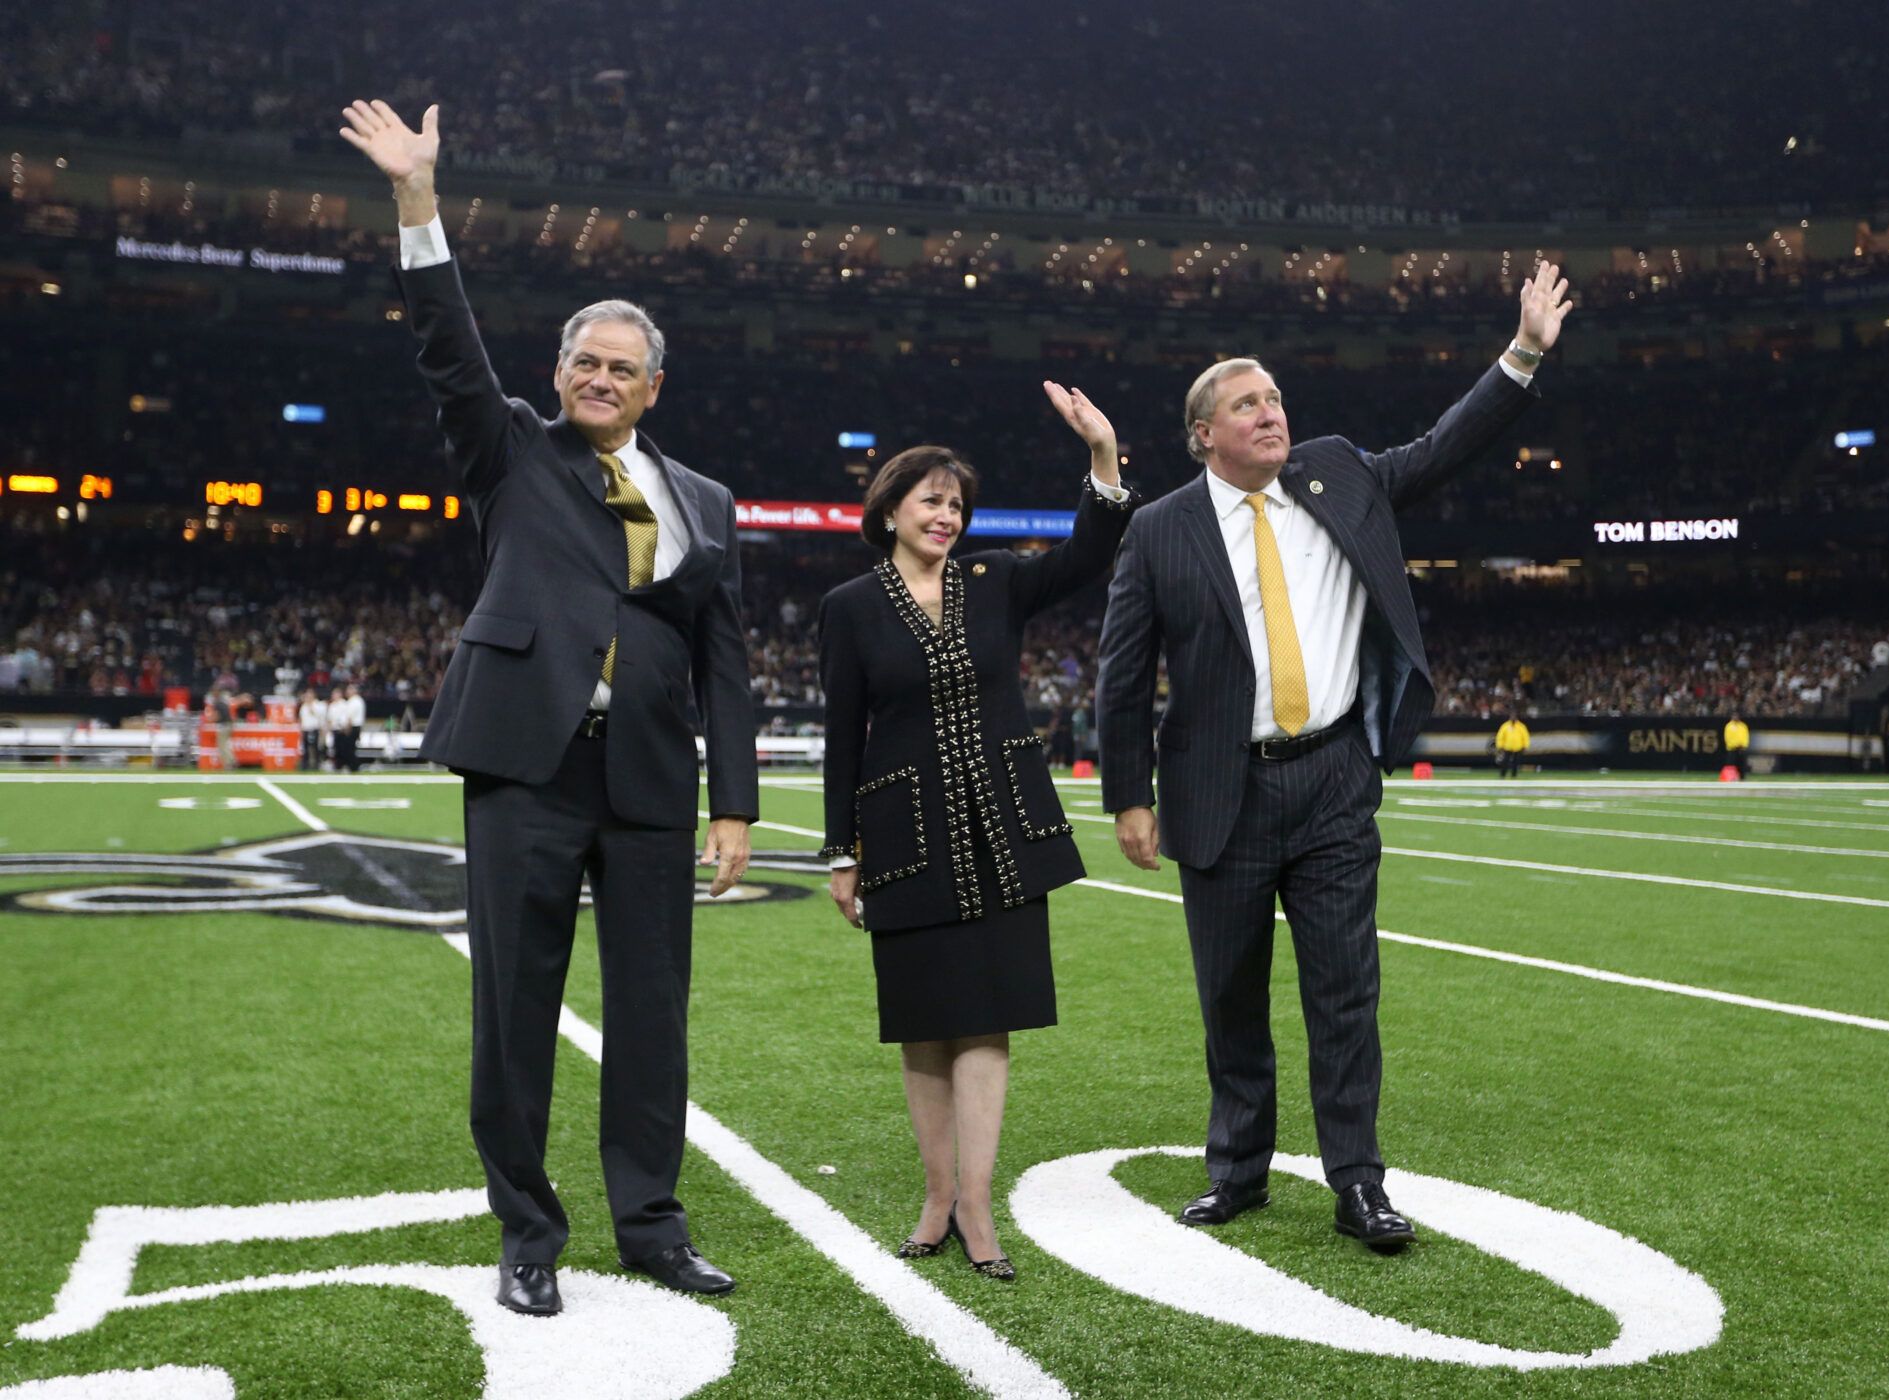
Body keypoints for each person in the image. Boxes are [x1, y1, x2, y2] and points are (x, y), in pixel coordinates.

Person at [340, 98, 758, 1315]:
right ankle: (527, 1231)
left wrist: (733, 804)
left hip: (647, 780)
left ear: (655, 386)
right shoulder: (516, 449)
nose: (602, 378)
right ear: (558, 372)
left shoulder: (711, 503)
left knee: (652, 1017)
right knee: (515, 1009)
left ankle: (652, 1223)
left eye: (623, 367)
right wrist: (418, 200)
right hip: (526, 760)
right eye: (585, 360)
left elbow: (725, 660)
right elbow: (445, 351)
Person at [1097, 262, 1572, 1249]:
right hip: (1217, 785)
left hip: (1332, 780)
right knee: (1230, 996)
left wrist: (1522, 351)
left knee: (1345, 989)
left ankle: (1358, 1181)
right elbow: (1121, 671)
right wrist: (1127, 797)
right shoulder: (1158, 531)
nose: (1271, 413)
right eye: (1246, 403)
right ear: (1205, 435)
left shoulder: (1338, 470)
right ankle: (1238, 1172)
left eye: (1273, 396)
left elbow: (1444, 448)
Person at [818, 385, 1137, 1281]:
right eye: (930, 500)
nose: (947, 515)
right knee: (925, 1027)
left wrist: (1102, 455)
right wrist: (843, 850)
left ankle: (976, 1204)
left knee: (989, 1022)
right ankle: (933, 1193)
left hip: (1006, 828)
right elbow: (845, 733)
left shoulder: (995, 580)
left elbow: (1091, 552)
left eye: (956, 503)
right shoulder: (849, 606)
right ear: (888, 511)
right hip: (905, 836)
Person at [297, 687, 327, 772]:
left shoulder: (318, 705)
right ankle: (305, 765)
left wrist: (310, 705)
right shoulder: (303, 706)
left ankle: (316, 765)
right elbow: (301, 718)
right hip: (305, 729)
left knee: (315, 748)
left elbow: (318, 716)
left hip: (314, 729)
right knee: (305, 748)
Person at [1494, 710, 1530, 778]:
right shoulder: (1505, 726)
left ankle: (1514, 775)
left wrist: (1525, 746)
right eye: (1512, 716)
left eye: (1514, 716)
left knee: (1516, 763)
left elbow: (1525, 737)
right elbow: (1500, 736)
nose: (1513, 718)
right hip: (1507, 747)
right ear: (1510, 717)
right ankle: (1502, 775)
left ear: (1517, 717)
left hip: (1518, 747)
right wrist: (1500, 746)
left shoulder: (1521, 726)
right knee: (1505, 762)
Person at [326, 686, 352, 773]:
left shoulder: (344, 704)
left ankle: (345, 765)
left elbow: (348, 717)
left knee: (343, 749)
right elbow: (329, 719)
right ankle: (337, 766)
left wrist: (346, 727)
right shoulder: (332, 706)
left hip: (343, 730)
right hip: (335, 729)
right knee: (336, 749)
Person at [1722, 712, 1750, 778]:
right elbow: (1727, 737)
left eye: (1736, 716)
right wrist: (1733, 745)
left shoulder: (1743, 726)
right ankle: (1731, 777)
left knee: (1741, 764)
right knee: (1731, 765)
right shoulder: (1729, 726)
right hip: (1732, 749)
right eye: (1734, 716)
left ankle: (1742, 777)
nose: (1735, 717)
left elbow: (1746, 736)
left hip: (1741, 748)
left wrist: (1744, 745)